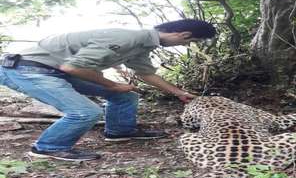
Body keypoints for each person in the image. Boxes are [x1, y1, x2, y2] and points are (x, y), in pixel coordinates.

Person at [0, 19, 216, 161]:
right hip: (28, 69)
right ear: (184, 34)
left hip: (57, 71)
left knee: (125, 96)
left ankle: (119, 132)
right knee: (85, 112)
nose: (188, 46)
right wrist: (112, 84)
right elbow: (73, 67)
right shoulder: (127, 38)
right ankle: (48, 147)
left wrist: (178, 92)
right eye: (192, 41)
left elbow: (146, 74)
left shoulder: (142, 44)